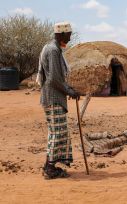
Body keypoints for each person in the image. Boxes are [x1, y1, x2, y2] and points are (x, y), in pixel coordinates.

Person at [36, 22, 80, 179]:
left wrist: (69, 89)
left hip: (53, 97)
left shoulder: (53, 48)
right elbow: (54, 78)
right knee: (58, 133)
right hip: (53, 97)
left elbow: (56, 77)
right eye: (68, 35)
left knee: (55, 133)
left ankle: (49, 166)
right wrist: (69, 91)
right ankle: (49, 169)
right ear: (61, 34)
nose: (69, 38)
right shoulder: (53, 50)